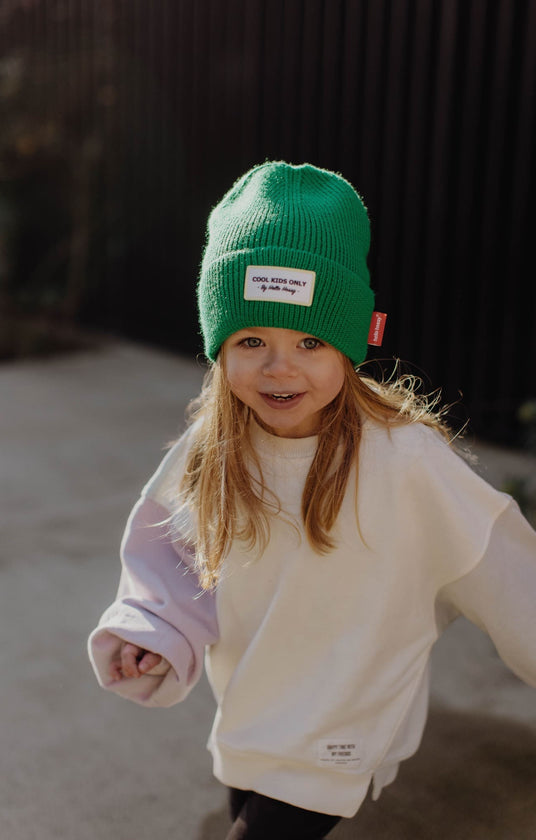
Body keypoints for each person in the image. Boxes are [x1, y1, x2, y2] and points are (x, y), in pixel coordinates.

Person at [88, 161, 536, 839]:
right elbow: (174, 562)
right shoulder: (211, 450)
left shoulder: (405, 461)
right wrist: (152, 633)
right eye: (250, 341)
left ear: (354, 343)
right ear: (218, 347)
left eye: (309, 340)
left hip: (339, 721)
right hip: (251, 704)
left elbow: (507, 574)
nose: (279, 367)